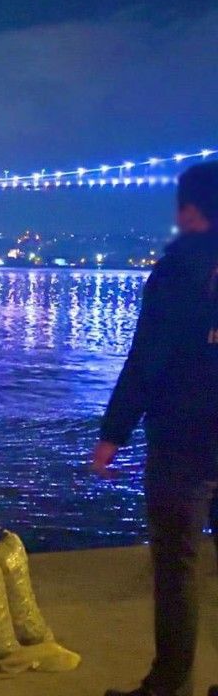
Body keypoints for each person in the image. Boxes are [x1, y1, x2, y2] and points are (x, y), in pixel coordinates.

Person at [95, 160, 218, 696]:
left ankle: (170, 685)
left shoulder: (176, 273)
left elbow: (147, 360)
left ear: (191, 211)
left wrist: (112, 434)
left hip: (184, 441)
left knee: (177, 568)